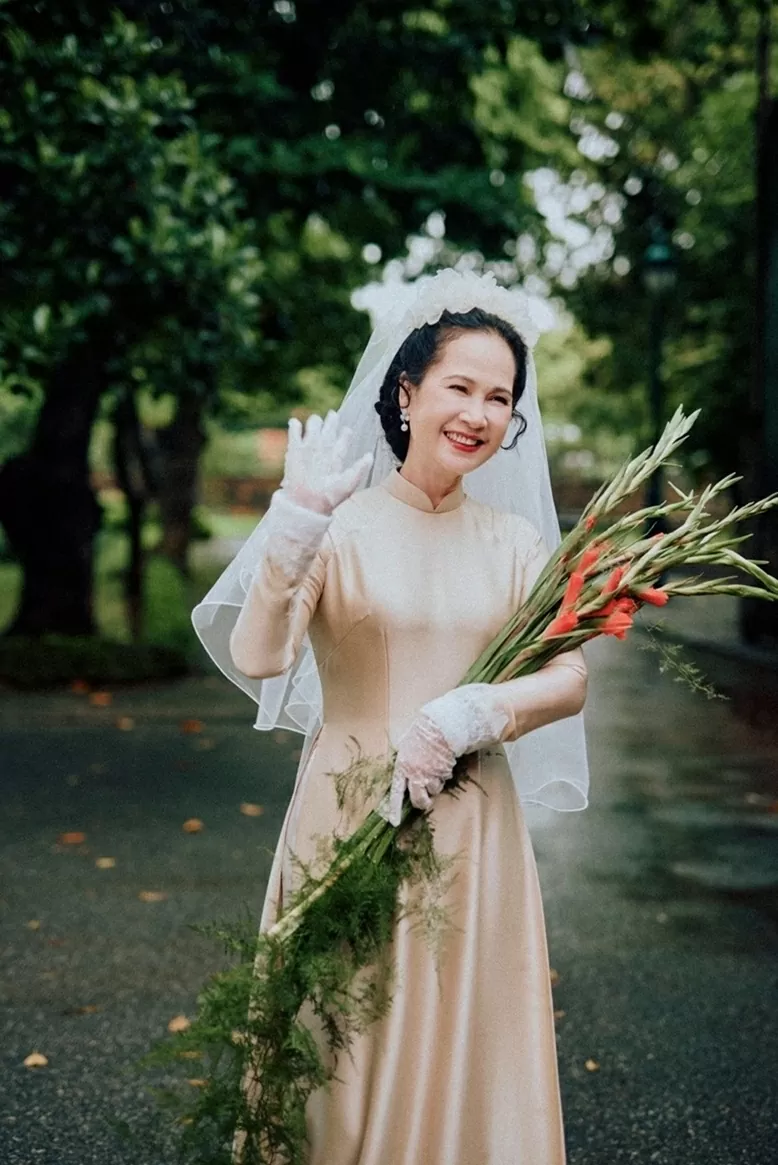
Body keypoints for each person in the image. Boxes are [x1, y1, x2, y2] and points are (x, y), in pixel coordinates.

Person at [192, 268, 590, 1164]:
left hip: (474, 822)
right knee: (337, 1031)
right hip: (348, 809)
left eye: (500, 398)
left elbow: (568, 679)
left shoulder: (518, 542)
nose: (479, 414)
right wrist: (294, 528)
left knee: (461, 1031)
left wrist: (480, 709)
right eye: (460, 387)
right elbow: (261, 654)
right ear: (407, 392)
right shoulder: (340, 526)